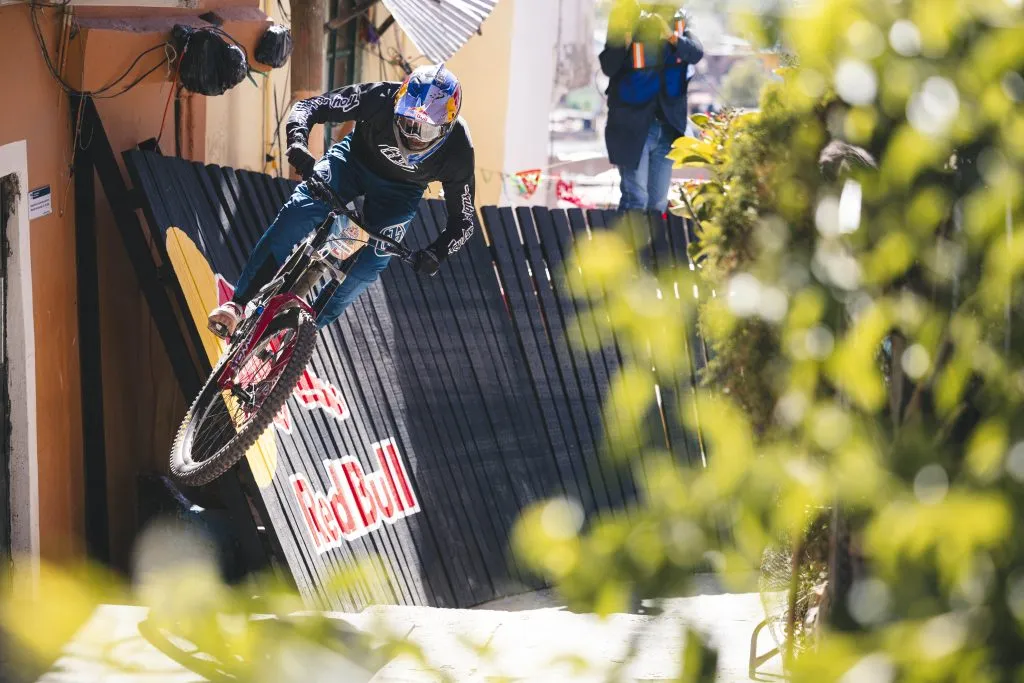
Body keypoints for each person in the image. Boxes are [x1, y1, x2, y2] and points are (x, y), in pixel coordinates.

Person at [207, 63, 477, 337]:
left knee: (369, 266)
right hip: (351, 163)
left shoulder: (459, 151)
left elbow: (464, 222)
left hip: (401, 193)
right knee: (298, 212)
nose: (412, 135)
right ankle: (237, 304)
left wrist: (438, 252)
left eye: (425, 131)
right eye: (407, 122)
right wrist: (297, 141)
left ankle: (301, 335)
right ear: (398, 104)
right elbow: (311, 107)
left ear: (447, 128)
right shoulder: (381, 97)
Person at [600, 4, 704, 213]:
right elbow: (609, 66)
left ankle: (653, 236)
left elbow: (695, 53)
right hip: (633, 126)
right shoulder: (626, 13)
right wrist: (627, 38)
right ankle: (630, 235)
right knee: (636, 198)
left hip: (668, 125)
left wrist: (670, 36)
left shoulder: (680, 19)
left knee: (658, 202)